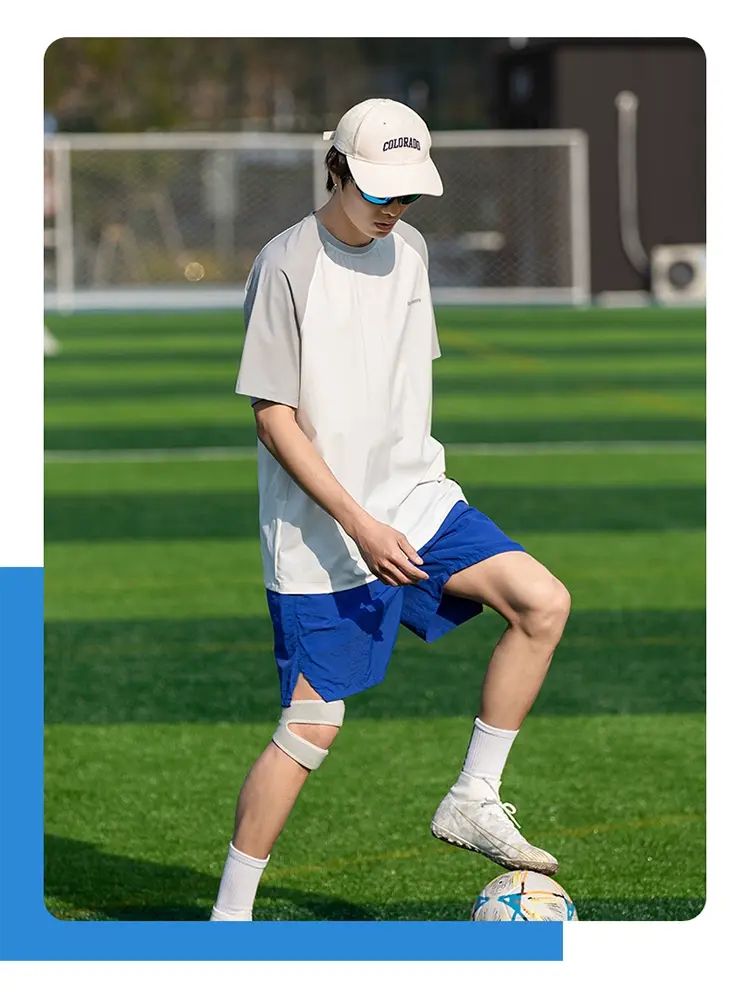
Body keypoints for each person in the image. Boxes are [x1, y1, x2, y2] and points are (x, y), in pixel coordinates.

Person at [210, 98, 571, 922]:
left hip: (417, 499)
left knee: (543, 603)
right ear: (335, 169)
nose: (394, 208)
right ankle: (229, 921)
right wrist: (358, 523)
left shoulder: (410, 252)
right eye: (380, 191)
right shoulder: (286, 265)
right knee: (311, 725)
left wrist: (396, 504)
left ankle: (474, 796)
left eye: (406, 194)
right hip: (321, 534)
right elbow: (274, 418)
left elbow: (397, 386)